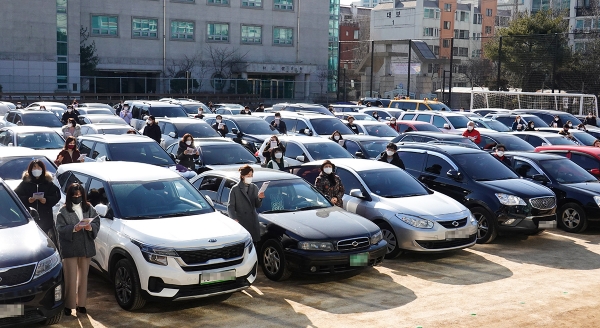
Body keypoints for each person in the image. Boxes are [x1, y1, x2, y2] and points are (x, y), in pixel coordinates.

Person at [56, 183, 100, 316]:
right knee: (70, 278)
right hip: (71, 249)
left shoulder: (88, 207)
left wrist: (90, 227)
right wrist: (74, 228)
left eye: (80, 195)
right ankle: (69, 305)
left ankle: (81, 304)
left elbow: (97, 221)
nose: (77, 197)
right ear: (70, 196)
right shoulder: (63, 211)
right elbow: (60, 228)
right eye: (75, 195)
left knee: (83, 278)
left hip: (86, 248)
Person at [15, 160, 61, 245]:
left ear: (42, 169)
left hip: (45, 217)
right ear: (30, 169)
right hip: (30, 216)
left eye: (39, 167)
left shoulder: (48, 183)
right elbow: (16, 196)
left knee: (45, 241)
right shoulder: (25, 183)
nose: (37, 169)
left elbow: (57, 195)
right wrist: (27, 200)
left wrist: (47, 200)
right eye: (34, 167)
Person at [227, 165, 265, 243]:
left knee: (254, 244)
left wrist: (259, 198)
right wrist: (234, 219)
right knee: (244, 244)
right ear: (242, 176)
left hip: (253, 221)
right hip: (242, 221)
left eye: (251, 175)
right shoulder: (235, 189)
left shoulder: (254, 187)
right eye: (248, 175)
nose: (250, 177)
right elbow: (231, 206)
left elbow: (257, 205)